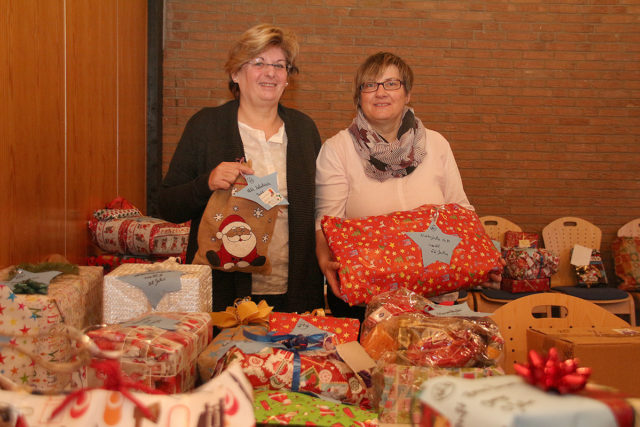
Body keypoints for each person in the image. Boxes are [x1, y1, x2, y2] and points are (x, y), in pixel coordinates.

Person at [315, 52, 495, 320]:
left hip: (434, 297)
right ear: (359, 96)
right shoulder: (338, 149)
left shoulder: (437, 144)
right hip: (370, 303)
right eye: (370, 85)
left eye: (391, 83)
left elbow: (460, 210)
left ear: (407, 93)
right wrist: (323, 259)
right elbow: (327, 221)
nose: (381, 93)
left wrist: (483, 258)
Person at [159, 24, 324, 313]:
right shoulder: (206, 126)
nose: (270, 72)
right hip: (225, 294)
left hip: (295, 292)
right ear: (236, 73)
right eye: (258, 63)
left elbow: (318, 208)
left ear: (287, 78)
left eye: (279, 65)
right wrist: (206, 183)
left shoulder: (304, 130)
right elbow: (166, 205)